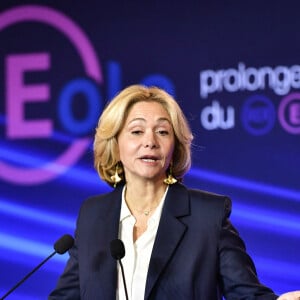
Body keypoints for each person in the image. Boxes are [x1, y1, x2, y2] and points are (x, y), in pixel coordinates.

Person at [49, 85, 300, 300]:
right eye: (137, 131)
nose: (150, 141)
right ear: (114, 144)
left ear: (175, 148)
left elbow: (246, 293)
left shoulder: (207, 216)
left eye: (162, 132)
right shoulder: (94, 216)